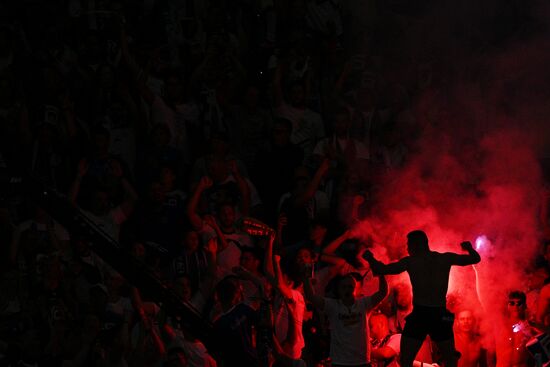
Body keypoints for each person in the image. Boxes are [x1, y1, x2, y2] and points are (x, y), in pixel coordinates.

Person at [362, 230, 481, 367]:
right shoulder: (444, 258)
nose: (407, 248)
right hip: (438, 314)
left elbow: (381, 269)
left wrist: (370, 258)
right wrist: (469, 248)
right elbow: (475, 258)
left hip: (422, 315)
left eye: (409, 245)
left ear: (415, 245)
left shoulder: (411, 261)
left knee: (406, 360)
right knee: (449, 359)